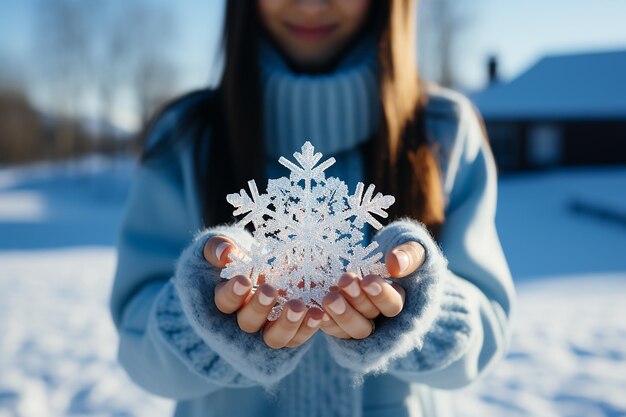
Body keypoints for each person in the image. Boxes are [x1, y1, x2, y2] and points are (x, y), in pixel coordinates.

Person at [109, 1, 516, 416]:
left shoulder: (445, 130)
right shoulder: (186, 138)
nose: (310, 5)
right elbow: (135, 343)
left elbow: (489, 329)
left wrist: (423, 305)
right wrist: (203, 317)